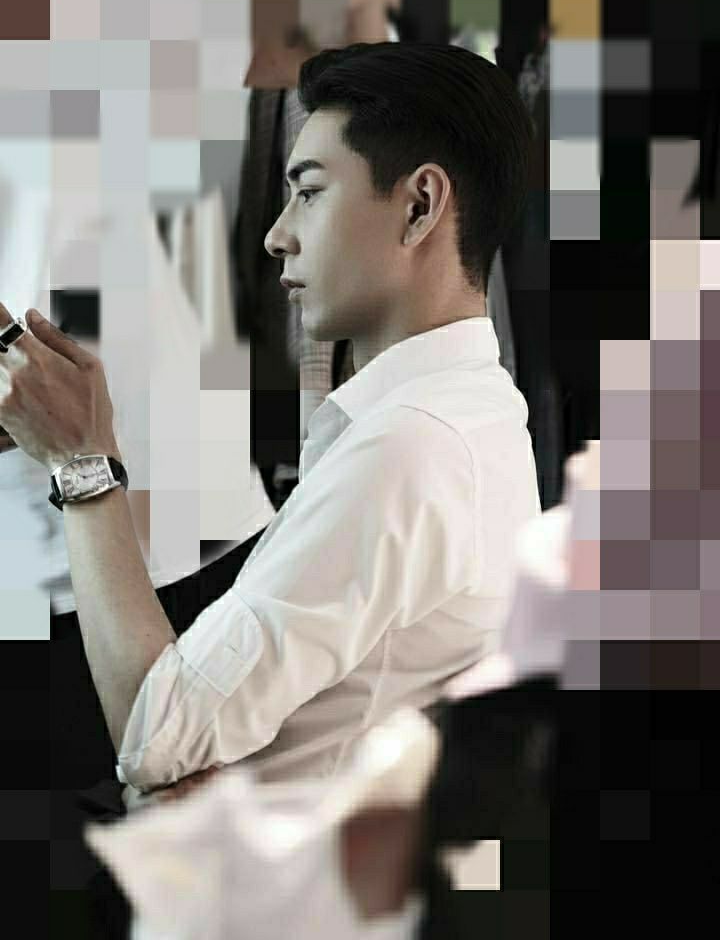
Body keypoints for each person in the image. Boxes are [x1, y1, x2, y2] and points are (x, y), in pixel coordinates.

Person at [0, 41, 539, 819]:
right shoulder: (477, 413)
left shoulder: (407, 449)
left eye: (310, 194)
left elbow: (157, 742)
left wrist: (82, 461)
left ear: (420, 206)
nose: (278, 234)